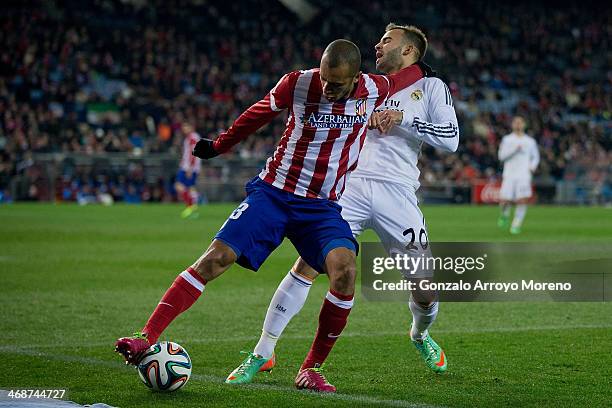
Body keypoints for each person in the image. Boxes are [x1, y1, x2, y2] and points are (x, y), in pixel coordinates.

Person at [115, 38, 430, 393]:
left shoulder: (375, 88)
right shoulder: (297, 82)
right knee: (217, 258)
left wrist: (422, 69)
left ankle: (311, 369)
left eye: (337, 83)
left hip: (321, 208)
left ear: (356, 76)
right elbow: (256, 115)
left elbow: (406, 77)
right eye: (325, 79)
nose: (327, 88)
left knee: (345, 271)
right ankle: (146, 336)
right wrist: (218, 146)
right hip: (275, 193)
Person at [225, 24, 459, 388]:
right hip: (346, 187)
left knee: (425, 288)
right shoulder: (360, 82)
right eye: (379, 39)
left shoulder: (430, 88)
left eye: (387, 40)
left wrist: (404, 118)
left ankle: (418, 334)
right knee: (308, 266)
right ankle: (262, 351)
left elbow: (452, 139)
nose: (378, 45)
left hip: (397, 193)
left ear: (410, 51)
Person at [497, 116, 540, 234]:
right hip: (509, 174)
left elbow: (535, 157)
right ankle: (504, 215)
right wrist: (514, 150)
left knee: (522, 200)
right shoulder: (507, 140)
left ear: (524, 125)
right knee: (505, 201)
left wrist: (532, 167)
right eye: (516, 122)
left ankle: (516, 224)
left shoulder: (530, 141)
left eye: (520, 122)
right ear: (512, 125)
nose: (518, 125)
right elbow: (501, 157)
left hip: (524, 175)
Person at [175, 123, 202, 218]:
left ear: (191, 127)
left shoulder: (192, 137)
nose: (184, 129)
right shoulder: (193, 137)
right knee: (191, 187)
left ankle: (190, 206)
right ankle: (193, 209)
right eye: (183, 127)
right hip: (190, 166)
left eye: (186, 127)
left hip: (188, 167)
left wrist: (190, 168)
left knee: (179, 186)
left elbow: (193, 153)